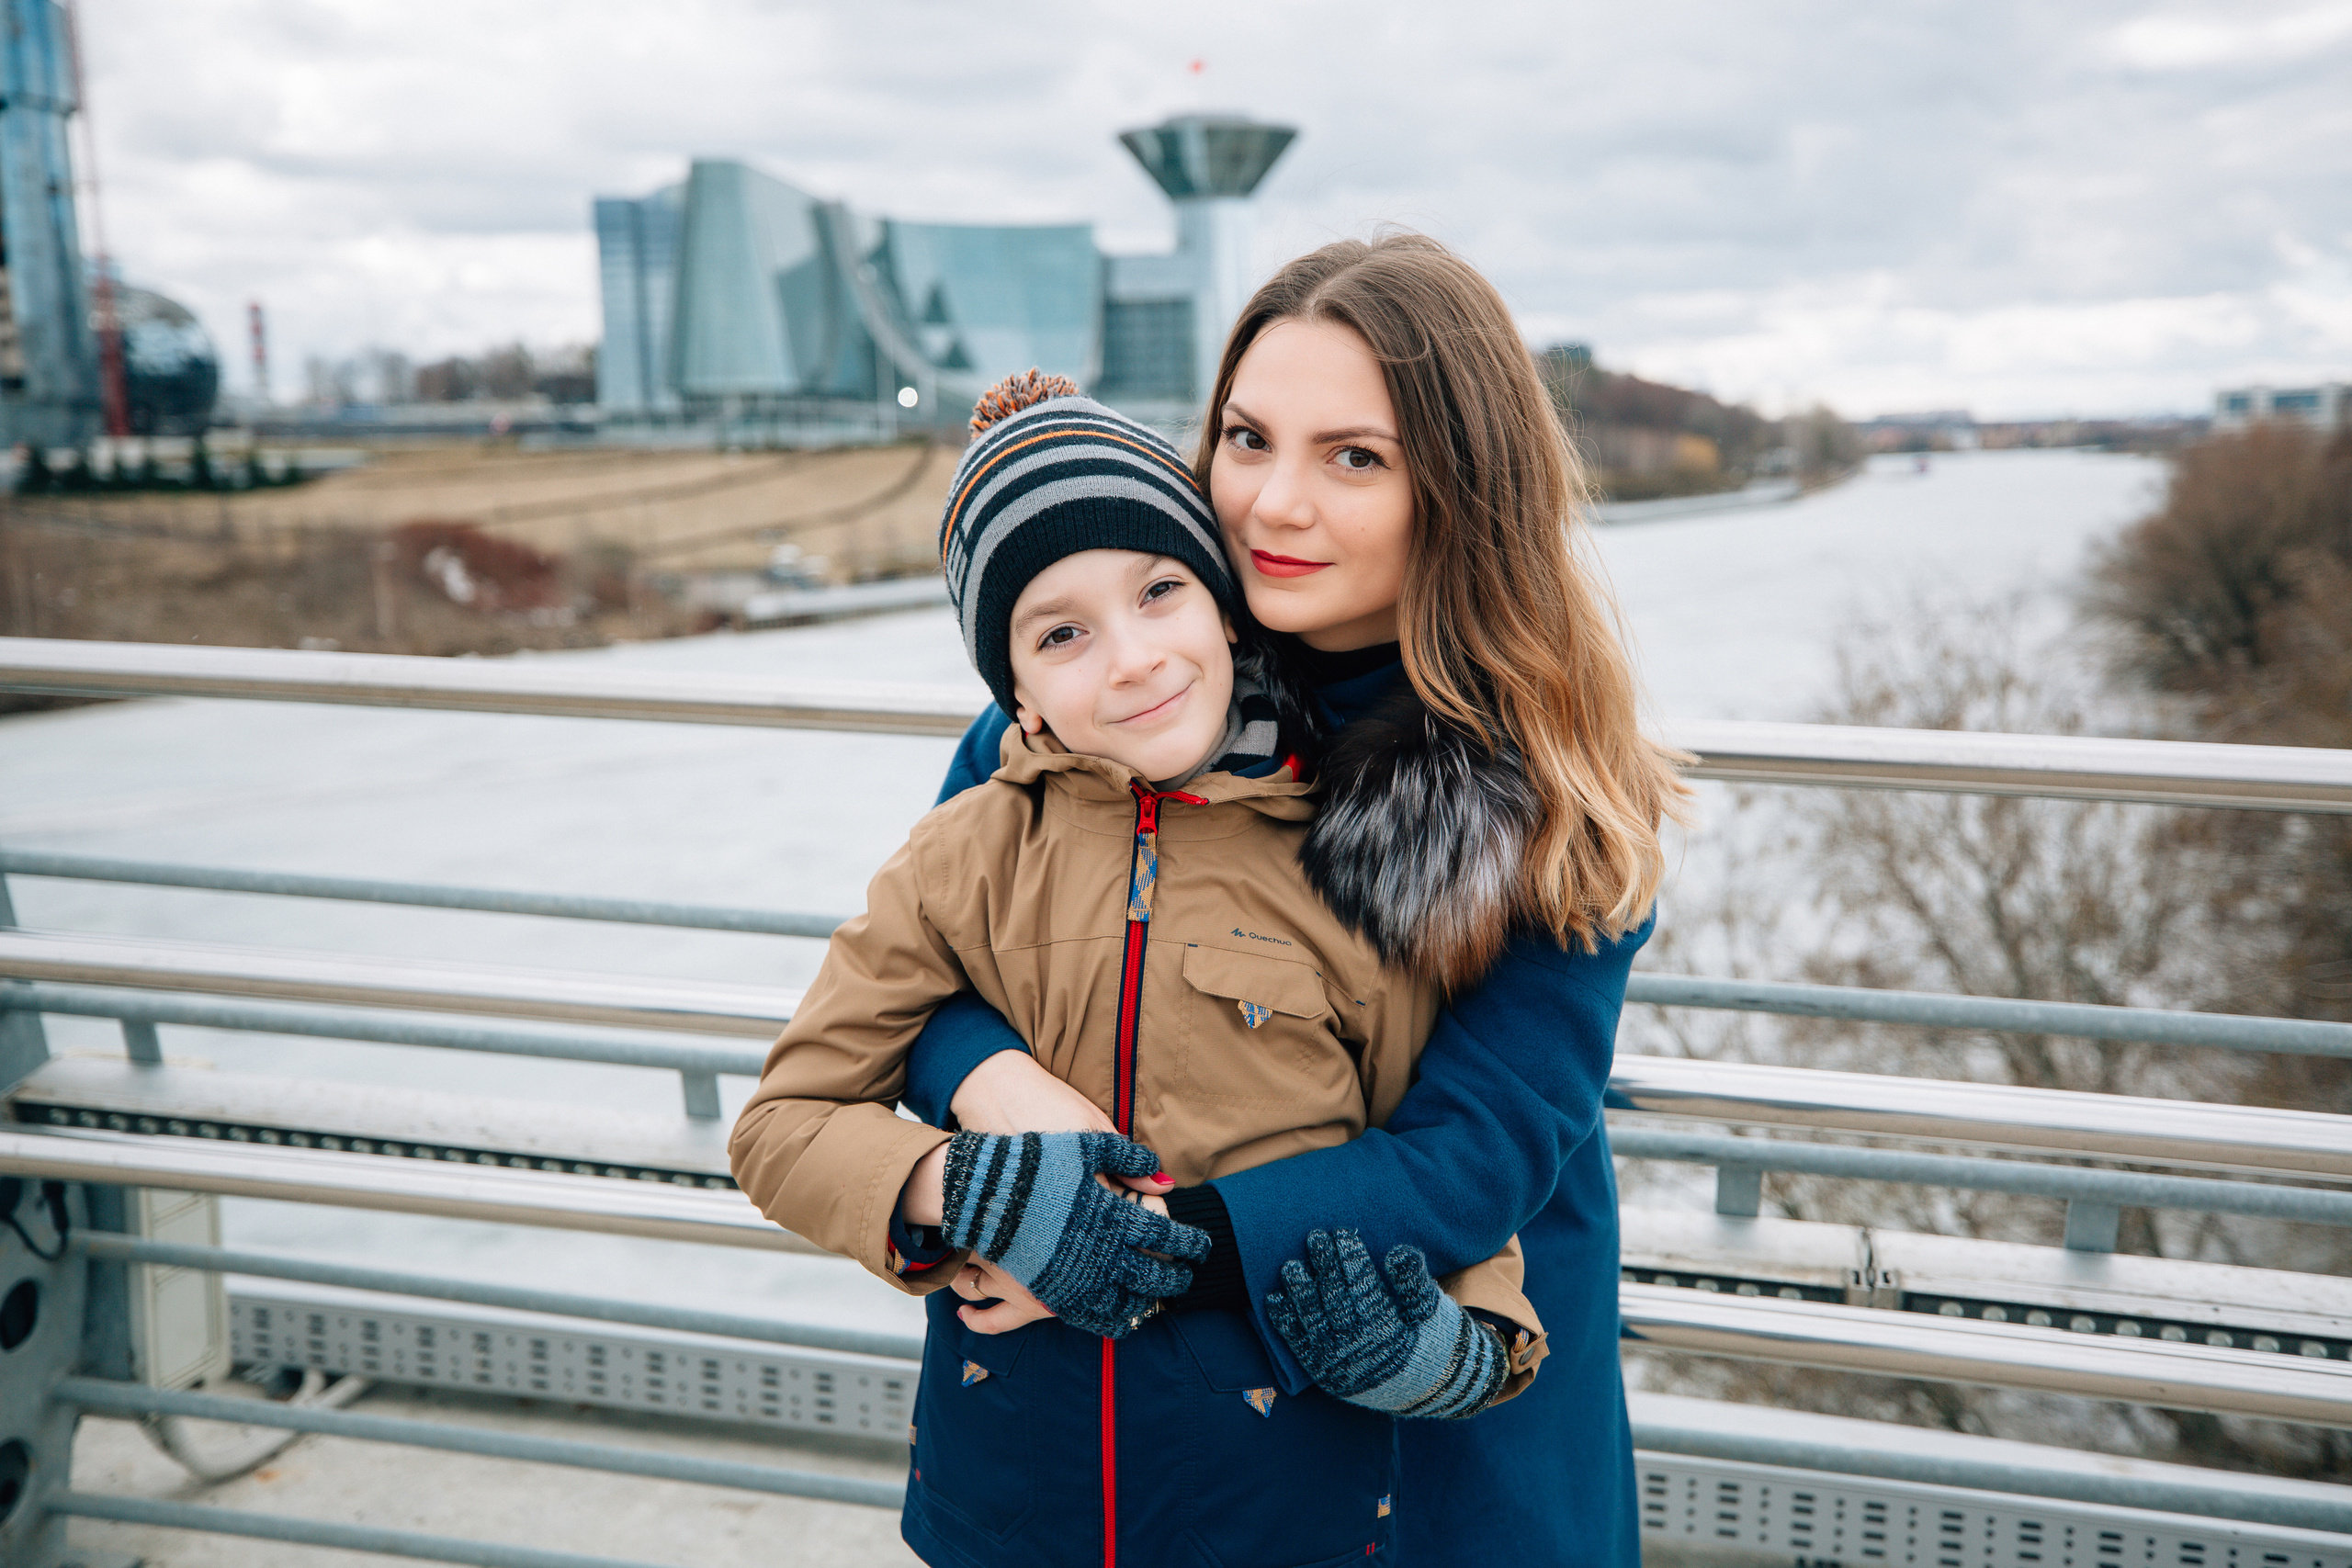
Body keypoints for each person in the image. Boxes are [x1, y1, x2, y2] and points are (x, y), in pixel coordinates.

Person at [901, 236, 1690, 1567]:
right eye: (1248, 438)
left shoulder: (1541, 779)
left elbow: (1485, 1146)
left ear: (1460, 488)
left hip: (1431, 1376)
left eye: (1353, 457)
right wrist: (998, 1091)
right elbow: (924, 972)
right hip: (1133, 1434)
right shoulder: (1118, 681)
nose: (1271, 504)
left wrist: (1143, 1244)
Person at [729, 376, 1547, 1568]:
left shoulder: (1359, 863)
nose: (1131, 659)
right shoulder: (961, 855)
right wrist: (958, 1189)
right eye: (1062, 633)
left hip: (1281, 1507)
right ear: (1019, 694)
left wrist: (1458, 1350)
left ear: (1225, 610)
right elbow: (783, 1125)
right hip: (1005, 1500)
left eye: (1160, 591)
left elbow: (1435, 1168)